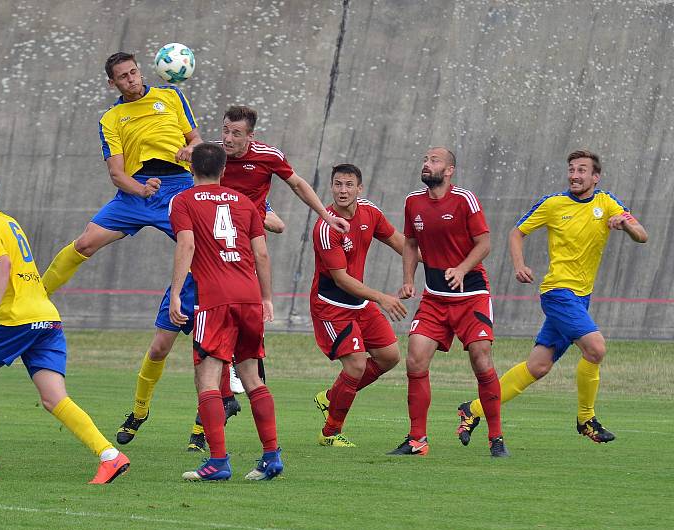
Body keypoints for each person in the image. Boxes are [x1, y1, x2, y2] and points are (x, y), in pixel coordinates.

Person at [115, 105, 349, 452]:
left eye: (236, 133)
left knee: (220, 355)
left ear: (250, 136)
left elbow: (296, 186)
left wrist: (325, 217)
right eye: (224, 131)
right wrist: (180, 153)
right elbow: (180, 157)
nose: (228, 138)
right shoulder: (208, 159)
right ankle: (140, 411)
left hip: (234, 268)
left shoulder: (265, 161)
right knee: (165, 347)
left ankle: (213, 434)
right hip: (205, 268)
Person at [0, 168, 129, 484]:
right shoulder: (8, 222)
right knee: (54, 398)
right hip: (45, 316)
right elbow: (16, 277)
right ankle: (110, 455)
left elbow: (3, 264)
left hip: (16, 320)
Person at [456, 150, 648, 445]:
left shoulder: (607, 202)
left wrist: (625, 224)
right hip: (558, 293)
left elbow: (642, 235)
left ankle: (473, 409)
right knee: (595, 349)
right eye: (572, 169)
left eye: (582, 170)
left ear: (595, 177)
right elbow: (516, 233)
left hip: (581, 297)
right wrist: (519, 266)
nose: (575, 175)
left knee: (538, 366)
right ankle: (586, 419)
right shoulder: (553, 204)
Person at [40, 51, 202, 295]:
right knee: (85, 244)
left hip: (178, 190)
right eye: (123, 76)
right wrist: (141, 190)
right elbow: (117, 173)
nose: (131, 79)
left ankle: (207, 311)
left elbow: (196, 140)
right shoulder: (111, 119)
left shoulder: (171, 96)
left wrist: (191, 149)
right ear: (112, 83)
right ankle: (36, 297)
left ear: (140, 71)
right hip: (136, 191)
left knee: (204, 252)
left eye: (133, 72)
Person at [169, 142, 282, 481]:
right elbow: (261, 253)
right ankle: (271, 456)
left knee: (206, 378)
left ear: (192, 170)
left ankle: (217, 461)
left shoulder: (183, 201)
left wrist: (176, 294)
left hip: (215, 300)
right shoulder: (245, 203)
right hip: (248, 296)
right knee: (252, 377)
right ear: (223, 171)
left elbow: (187, 244)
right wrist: (266, 298)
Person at [388, 147, 508, 458]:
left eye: (434, 160)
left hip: (471, 296)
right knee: (415, 359)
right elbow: (411, 244)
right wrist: (408, 280)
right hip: (435, 297)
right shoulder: (413, 202)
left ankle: (496, 437)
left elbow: (485, 243)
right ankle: (417, 440)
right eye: (425, 160)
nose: (427, 164)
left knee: (481, 360)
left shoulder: (465, 200)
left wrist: (462, 268)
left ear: (450, 170)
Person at [310, 164, 407, 447]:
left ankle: (331, 397)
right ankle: (330, 433)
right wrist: (382, 297)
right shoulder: (327, 228)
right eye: (338, 184)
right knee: (354, 365)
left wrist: (434, 262)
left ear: (359, 188)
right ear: (331, 187)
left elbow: (398, 241)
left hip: (359, 303)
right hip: (331, 306)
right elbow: (341, 280)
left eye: (349, 185)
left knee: (389, 356)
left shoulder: (370, 212)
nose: (343, 190)